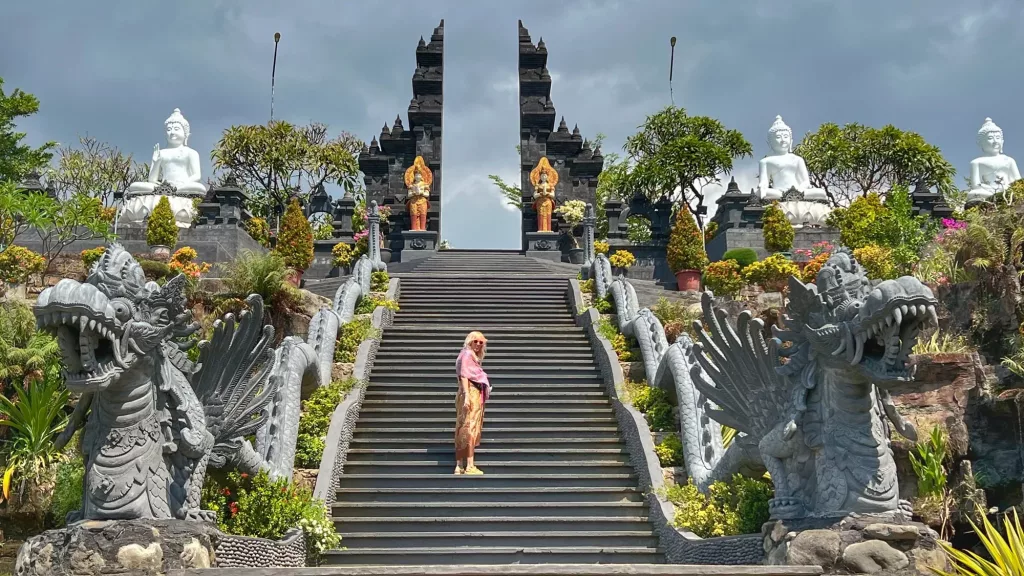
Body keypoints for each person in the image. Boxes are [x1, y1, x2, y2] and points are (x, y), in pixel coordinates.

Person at [455, 331, 490, 475]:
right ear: (470, 341)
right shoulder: (468, 354)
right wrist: (468, 396)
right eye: (476, 341)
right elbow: (464, 375)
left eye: (481, 342)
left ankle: (459, 465)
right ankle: (469, 465)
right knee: (470, 426)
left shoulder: (464, 354)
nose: (478, 344)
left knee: (463, 426)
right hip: (470, 392)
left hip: (466, 393)